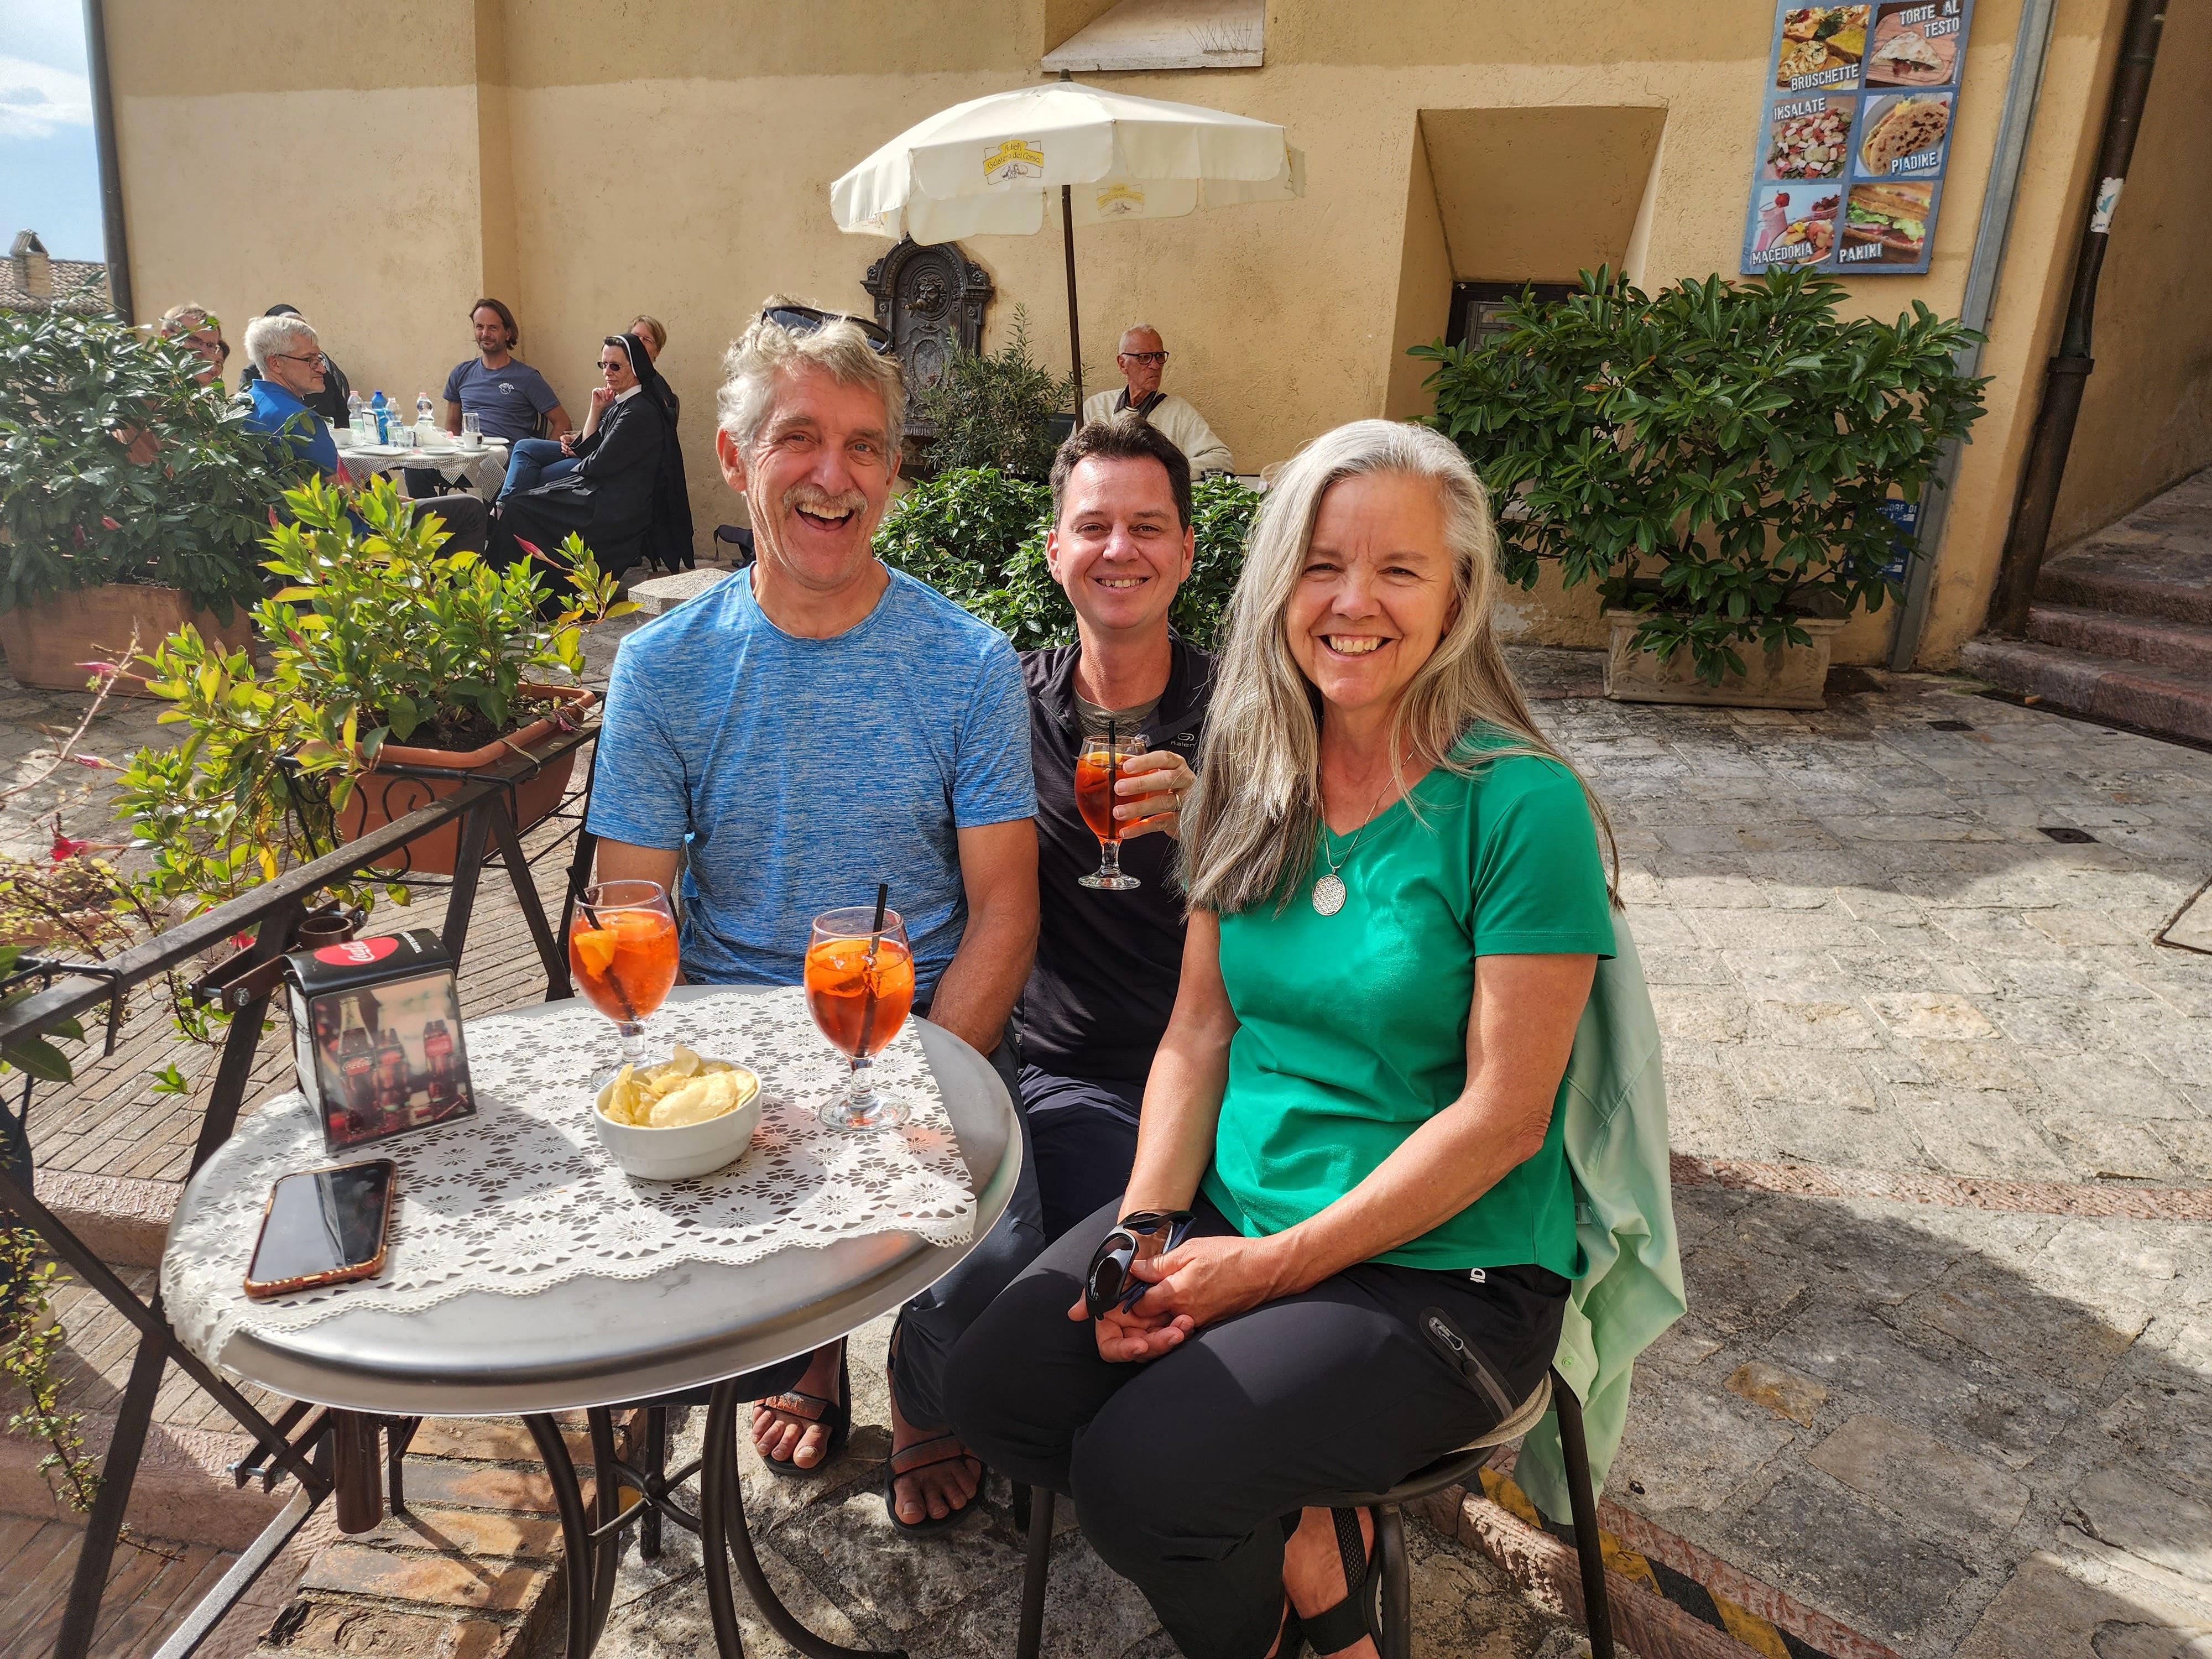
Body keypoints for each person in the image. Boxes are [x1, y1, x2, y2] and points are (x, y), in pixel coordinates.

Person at [945, 419, 1619, 1659]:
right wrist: (1143, 1229)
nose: (1352, 602)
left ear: (1457, 592)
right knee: (990, 1387)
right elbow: (1196, 1033)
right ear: (1277, 584)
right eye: (1320, 564)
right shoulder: (1253, 777)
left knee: (1146, 1481)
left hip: (1443, 1273)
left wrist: (1266, 1272)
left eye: (1397, 570)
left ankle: (1287, 1614)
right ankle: (1303, 1531)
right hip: (1228, 1214)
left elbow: (1502, 1117)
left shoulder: (1518, 804)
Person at [586, 299, 1041, 1535]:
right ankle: (812, 1356)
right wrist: (716, 1084)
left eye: (864, 446)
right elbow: (633, 904)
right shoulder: (663, 666)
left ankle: (921, 1381)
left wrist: (932, 1080)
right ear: (736, 461)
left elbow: (1005, 911)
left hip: (925, 1019)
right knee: (644, 1264)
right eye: (798, 439)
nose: (832, 477)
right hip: (740, 1036)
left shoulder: (968, 661)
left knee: (992, 1277)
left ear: (893, 472)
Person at [1019, 417, 1208, 1240]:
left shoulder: (1253, 712)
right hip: (1068, 1078)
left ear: (1187, 552)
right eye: (1093, 527)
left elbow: (1333, 889)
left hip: (1227, 1070)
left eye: (1147, 528)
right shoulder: (1005, 704)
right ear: (1056, 550)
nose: (1119, 549)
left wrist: (1217, 829)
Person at [239, 313, 488, 554]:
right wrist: (401, 504)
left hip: (287, 537)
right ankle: (437, 591)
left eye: (320, 359)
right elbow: (352, 499)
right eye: (310, 360)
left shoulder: (246, 405)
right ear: (275, 363)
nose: (322, 369)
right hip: (347, 537)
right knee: (470, 509)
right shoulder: (298, 419)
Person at [493, 333, 671, 575]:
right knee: (522, 504)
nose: (607, 372)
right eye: (604, 365)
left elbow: (594, 462)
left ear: (637, 368)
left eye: (615, 366)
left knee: (521, 509)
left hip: (614, 506)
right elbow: (589, 449)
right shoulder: (624, 403)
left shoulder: (639, 411)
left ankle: (516, 586)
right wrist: (596, 409)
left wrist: (576, 464)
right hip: (602, 492)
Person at [1078, 324, 1233, 476]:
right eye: (1144, 357)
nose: (1155, 365)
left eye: (1159, 356)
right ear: (1122, 364)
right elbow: (1072, 463)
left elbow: (1222, 459)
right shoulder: (1095, 407)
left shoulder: (1179, 412)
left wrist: (1166, 473)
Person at [441, 298, 569, 442]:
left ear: (508, 333)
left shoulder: (527, 377)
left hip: (509, 458)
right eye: (479, 327)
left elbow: (563, 423)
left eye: (493, 328)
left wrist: (542, 456)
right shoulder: (460, 374)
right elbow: (452, 428)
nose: (485, 334)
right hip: (468, 457)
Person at [236, 304, 352, 422]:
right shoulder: (254, 378)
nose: (321, 369)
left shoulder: (320, 371)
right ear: (276, 363)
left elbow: (343, 416)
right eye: (295, 331)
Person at [156, 304, 229, 387]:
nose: (204, 351)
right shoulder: (146, 387)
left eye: (210, 345)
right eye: (194, 340)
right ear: (165, 336)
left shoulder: (205, 396)